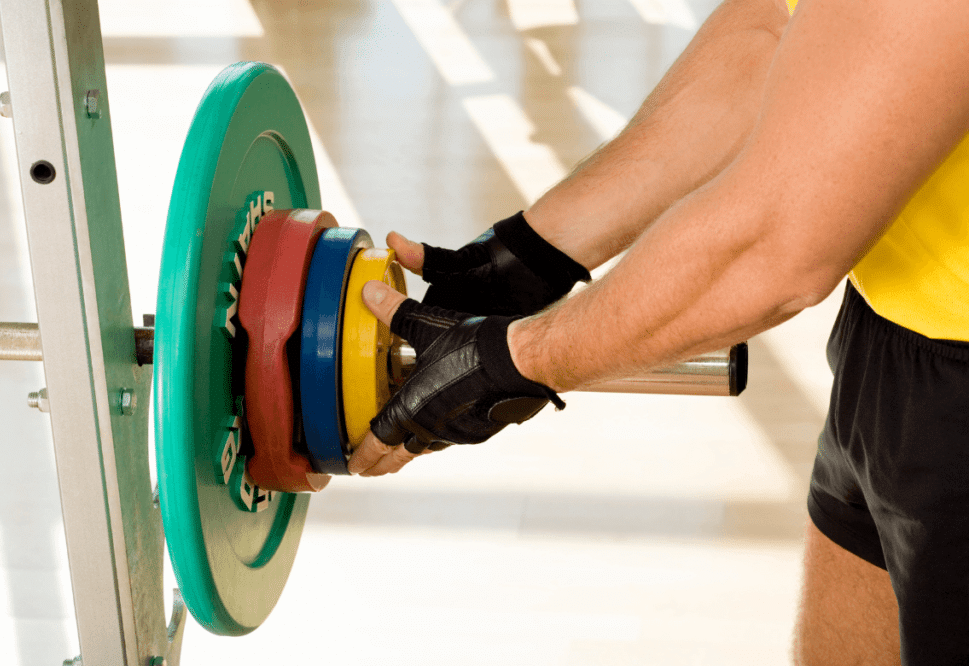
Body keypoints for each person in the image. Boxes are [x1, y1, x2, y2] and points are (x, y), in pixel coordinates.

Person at [348, 0, 968, 662]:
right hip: (898, 339)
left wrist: (518, 358)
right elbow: (779, 34)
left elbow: (775, 247)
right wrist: (533, 250)